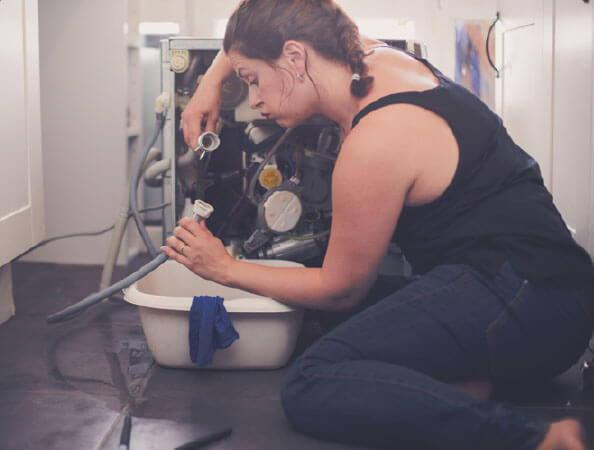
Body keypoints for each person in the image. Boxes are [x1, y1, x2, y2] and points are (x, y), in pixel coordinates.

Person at [160, 1, 594, 448]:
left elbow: (341, 287)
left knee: (313, 379)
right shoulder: (362, 54)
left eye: (251, 79)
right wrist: (214, 79)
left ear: (294, 57)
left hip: (534, 306)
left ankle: (538, 439)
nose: (252, 99)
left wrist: (223, 268)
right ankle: (468, 379)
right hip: (539, 287)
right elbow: (290, 8)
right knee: (322, 312)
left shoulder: (375, 142)